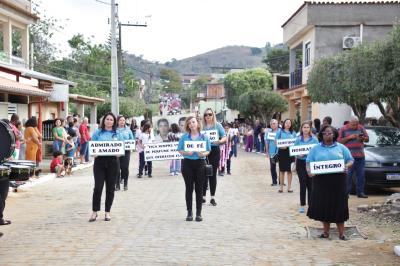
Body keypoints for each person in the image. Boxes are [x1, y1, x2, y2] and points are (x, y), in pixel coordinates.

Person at [306, 125, 354, 240]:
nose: (328, 135)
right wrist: (309, 171)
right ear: (321, 134)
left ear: (334, 134)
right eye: (325, 133)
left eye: (330, 133)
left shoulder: (341, 147)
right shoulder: (315, 149)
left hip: (338, 182)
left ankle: (342, 234)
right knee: (324, 206)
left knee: (339, 206)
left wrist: (346, 166)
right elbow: (308, 162)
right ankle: (325, 233)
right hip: (321, 182)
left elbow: (350, 160)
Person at [89, 112, 122, 222]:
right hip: (100, 162)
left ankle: (107, 212)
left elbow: (121, 148)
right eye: (107, 119)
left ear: (114, 122)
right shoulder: (98, 133)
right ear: (104, 121)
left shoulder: (117, 134)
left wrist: (119, 153)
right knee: (98, 188)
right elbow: (92, 146)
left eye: (111, 120)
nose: (109, 121)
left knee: (110, 188)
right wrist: (94, 153)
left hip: (113, 162)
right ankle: (95, 211)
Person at [177, 116, 211, 222]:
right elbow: (180, 150)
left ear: (197, 123)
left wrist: (203, 154)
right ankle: (189, 212)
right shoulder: (184, 137)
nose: (192, 124)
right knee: (189, 188)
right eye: (189, 123)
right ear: (187, 125)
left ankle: (199, 213)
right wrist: (187, 153)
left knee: (199, 189)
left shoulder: (204, 137)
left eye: (193, 122)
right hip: (187, 164)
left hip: (200, 163)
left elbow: (208, 150)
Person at [338, 116, 369, 198]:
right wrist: (349, 137)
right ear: (349, 122)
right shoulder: (343, 129)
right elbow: (339, 141)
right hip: (348, 157)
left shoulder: (361, 128)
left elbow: (367, 139)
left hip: (360, 156)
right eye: (353, 125)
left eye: (356, 124)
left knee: (361, 175)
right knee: (348, 176)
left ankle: (360, 192)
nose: (355, 126)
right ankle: (346, 193)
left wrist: (362, 138)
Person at [202, 108, 226, 206]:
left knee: (212, 174)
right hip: (203, 152)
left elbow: (224, 136)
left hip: (214, 151)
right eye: (206, 115)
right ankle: (203, 197)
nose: (208, 116)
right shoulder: (201, 126)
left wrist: (220, 141)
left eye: (210, 114)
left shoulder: (218, 126)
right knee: (203, 174)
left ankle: (212, 197)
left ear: (213, 115)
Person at [294, 121, 319, 213]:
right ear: (301, 129)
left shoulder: (314, 139)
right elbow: (294, 151)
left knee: (310, 185)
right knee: (303, 183)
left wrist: (309, 153)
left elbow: (317, 152)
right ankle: (302, 205)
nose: (306, 129)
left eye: (307, 127)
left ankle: (311, 204)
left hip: (310, 164)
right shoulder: (298, 139)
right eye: (304, 127)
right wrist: (298, 155)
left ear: (310, 129)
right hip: (300, 163)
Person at [276, 118, 296, 193]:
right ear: (284, 124)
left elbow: (296, 142)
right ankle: (281, 187)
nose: (288, 124)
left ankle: (289, 187)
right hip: (282, 152)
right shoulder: (280, 131)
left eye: (289, 123)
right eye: (286, 123)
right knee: (282, 170)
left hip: (290, 153)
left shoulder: (293, 132)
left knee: (289, 170)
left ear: (291, 124)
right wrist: (281, 146)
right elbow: (276, 141)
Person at [116, 115, 134, 191]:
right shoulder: (114, 130)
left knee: (125, 168)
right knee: (117, 168)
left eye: (123, 120)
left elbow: (131, 139)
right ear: (117, 121)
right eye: (120, 120)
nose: (122, 122)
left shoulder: (128, 130)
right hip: (116, 152)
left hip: (126, 152)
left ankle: (125, 183)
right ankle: (117, 185)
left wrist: (131, 147)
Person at [265, 119, 280, 186]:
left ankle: (281, 181)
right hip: (272, 152)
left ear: (277, 124)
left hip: (280, 152)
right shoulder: (268, 133)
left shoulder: (281, 132)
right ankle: (274, 181)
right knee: (272, 167)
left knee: (281, 167)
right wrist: (267, 152)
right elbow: (266, 143)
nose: (273, 125)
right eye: (271, 124)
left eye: (274, 123)